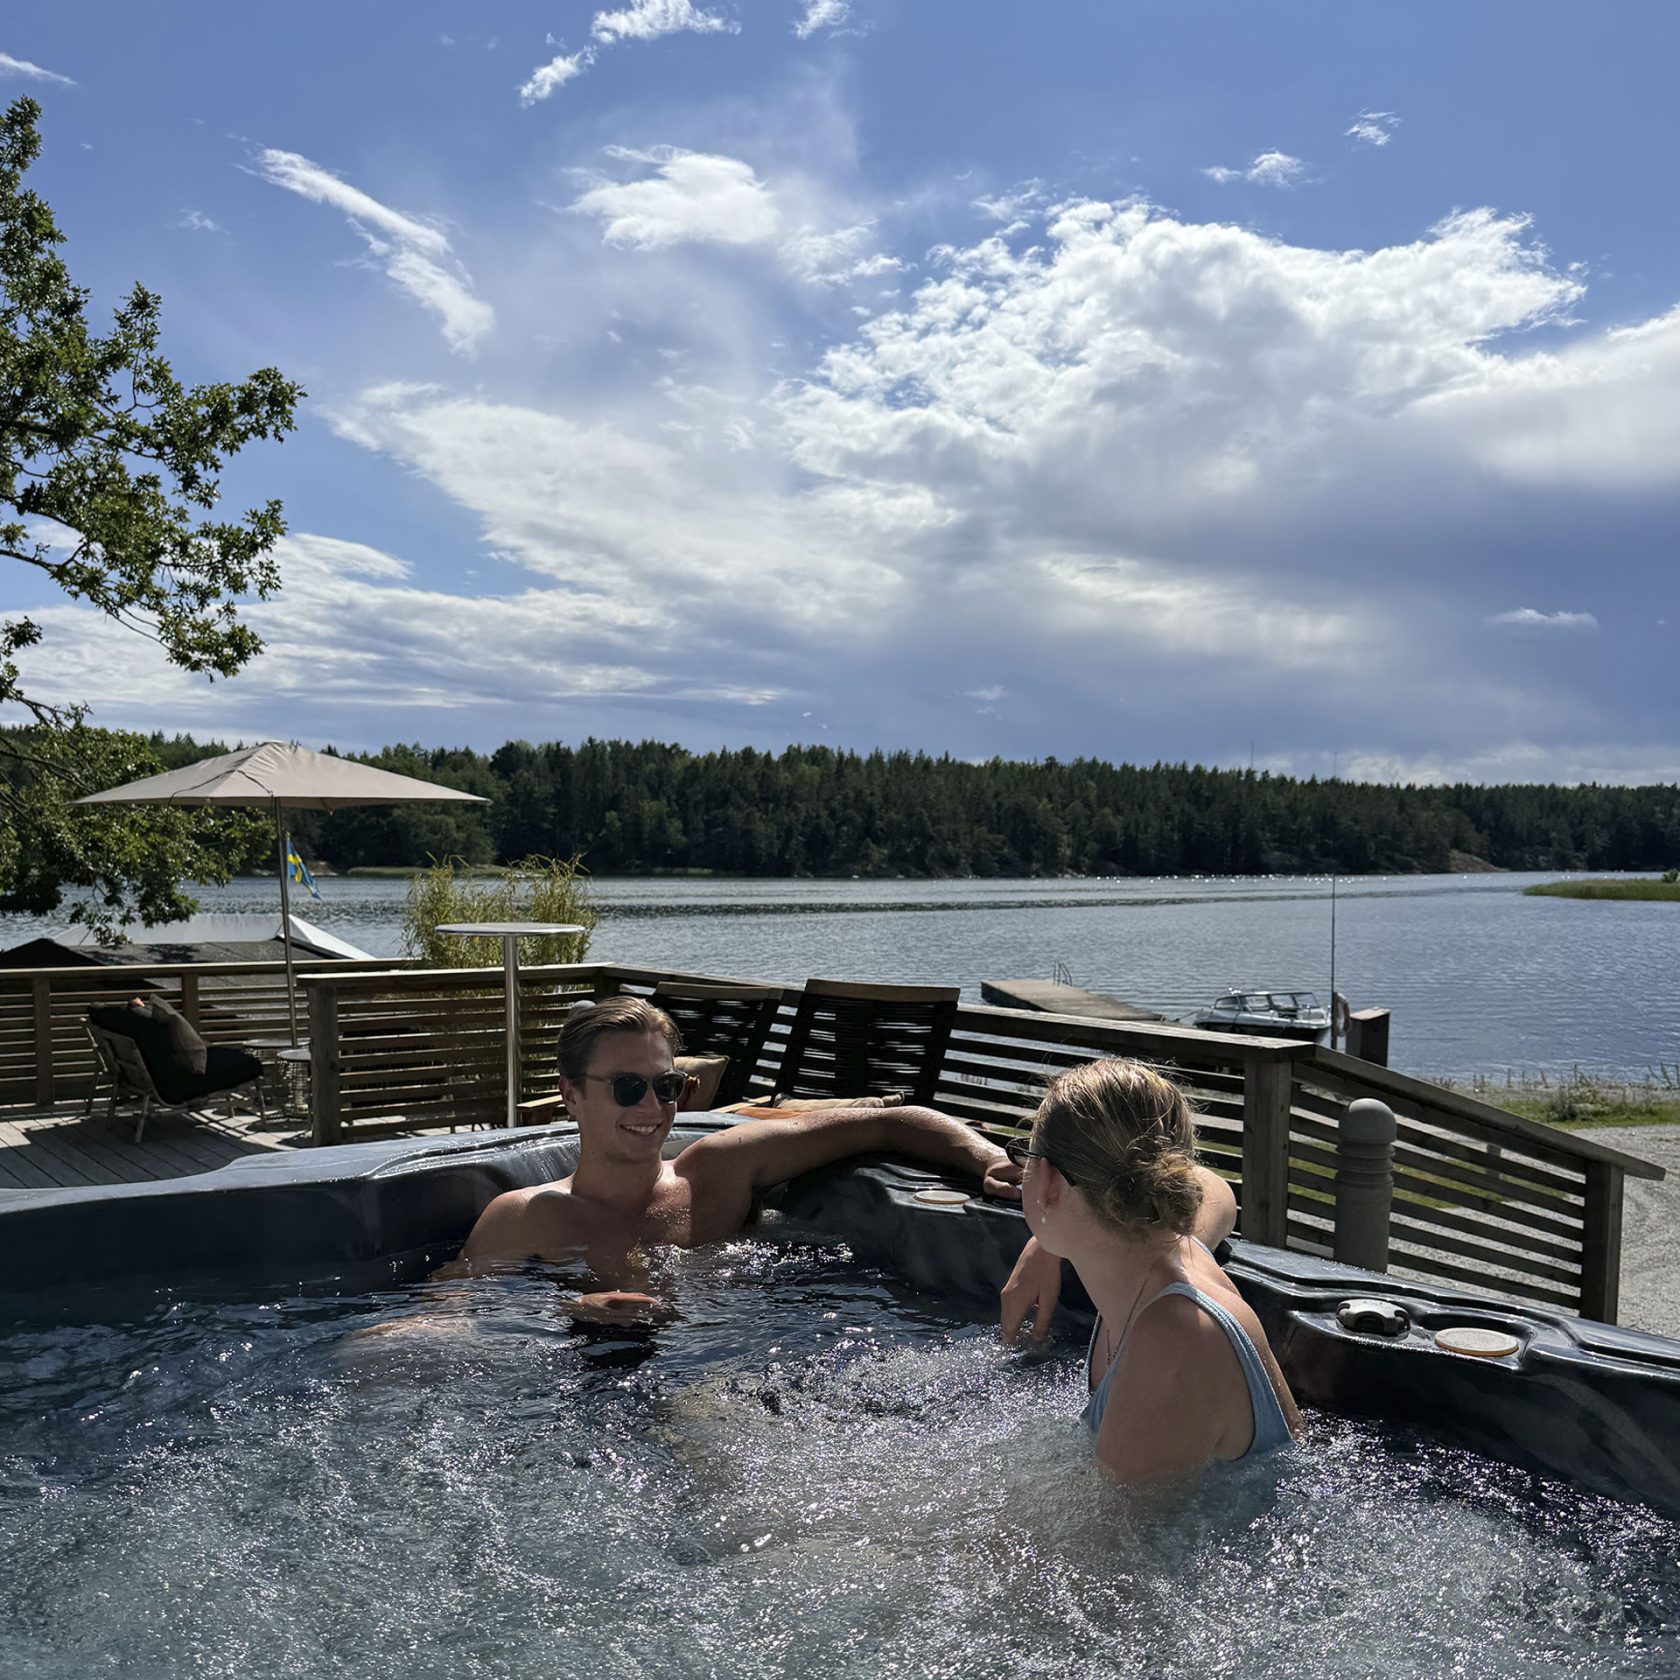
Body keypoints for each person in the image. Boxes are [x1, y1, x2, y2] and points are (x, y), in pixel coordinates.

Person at [456, 996, 1022, 1288]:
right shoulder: (526, 1218)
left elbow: (892, 1122)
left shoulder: (719, 1171)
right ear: (571, 1096)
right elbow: (455, 1318)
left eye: (666, 1085)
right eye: (627, 1087)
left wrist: (988, 1158)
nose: (651, 1107)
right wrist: (568, 1312)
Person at [1004, 1057, 1299, 1482]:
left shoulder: (1174, 1343)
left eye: (1025, 1155)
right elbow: (1212, 1186)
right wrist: (1045, 1245)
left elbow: (1114, 1526)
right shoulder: (1159, 1254)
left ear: (1050, 1183)